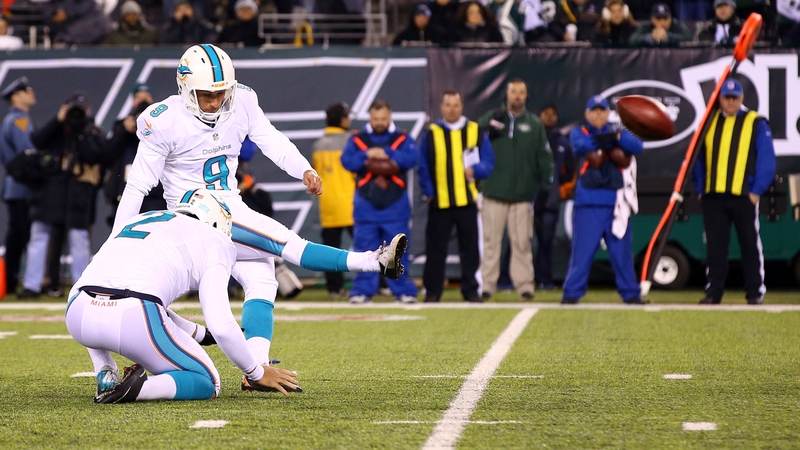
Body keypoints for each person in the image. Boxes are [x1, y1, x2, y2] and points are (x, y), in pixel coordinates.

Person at [113, 45, 407, 392]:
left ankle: (256, 369)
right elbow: (137, 187)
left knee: (263, 281)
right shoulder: (162, 120)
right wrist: (117, 243)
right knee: (285, 243)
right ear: (186, 88)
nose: (214, 102)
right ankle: (374, 261)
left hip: (229, 203)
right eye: (206, 95)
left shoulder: (242, 101)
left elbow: (271, 139)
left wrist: (304, 168)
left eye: (221, 93)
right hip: (195, 214)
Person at [66, 190, 301, 403]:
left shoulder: (141, 219)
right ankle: (140, 389)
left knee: (106, 288)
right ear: (218, 222)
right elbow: (221, 325)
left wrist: (198, 333)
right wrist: (257, 373)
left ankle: (105, 369)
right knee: (209, 382)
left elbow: (100, 285)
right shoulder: (216, 239)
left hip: (77, 312)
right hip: (131, 315)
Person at [691, 78, 776, 305]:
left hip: (743, 195)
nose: (730, 102)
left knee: (749, 244)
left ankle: (755, 291)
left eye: (734, 98)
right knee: (716, 246)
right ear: (719, 99)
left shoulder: (755, 122)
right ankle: (714, 291)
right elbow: (696, 158)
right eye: (726, 98)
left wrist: (756, 191)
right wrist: (701, 188)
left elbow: (767, 160)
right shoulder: (709, 122)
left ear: (742, 98)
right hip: (714, 196)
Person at [19, 92, 109, 299]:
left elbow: (95, 155)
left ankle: (82, 286)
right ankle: (32, 285)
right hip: (50, 191)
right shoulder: (57, 129)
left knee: (79, 239)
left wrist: (81, 131)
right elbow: (37, 141)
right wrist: (58, 121)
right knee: (39, 236)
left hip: (77, 195)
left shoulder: (91, 131)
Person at [561, 95, 644, 304]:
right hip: (588, 204)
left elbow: (638, 146)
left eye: (602, 110)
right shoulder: (579, 132)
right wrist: (606, 142)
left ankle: (631, 293)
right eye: (594, 110)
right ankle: (572, 293)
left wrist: (615, 139)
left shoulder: (617, 133)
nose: (598, 114)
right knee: (582, 253)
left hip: (616, 205)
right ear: (587, 114)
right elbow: (581, 145)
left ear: (608, 113)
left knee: (622, 254)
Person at [477, 79, 553, 301]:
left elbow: (545, 159)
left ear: (526, 96)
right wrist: (486, 133)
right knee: (491, 243)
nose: (517, 96)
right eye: (513, 92)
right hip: (493, 193)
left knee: (522, 243)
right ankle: (487, 285)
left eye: (521, 92)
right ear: (507, 94)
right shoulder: (491, 118)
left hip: (522, 196)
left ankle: (524, 285)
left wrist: (544, 189)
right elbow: (470, 144)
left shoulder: (535, 124)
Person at [417, 90, 495, 303]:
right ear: (441, 107)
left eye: (456, 105)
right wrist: (429, 192)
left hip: (466, 201)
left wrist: (476, 170)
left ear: (462, 107)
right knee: (435, 250)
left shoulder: (475, 130)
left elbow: (489, 162)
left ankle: (471, 290)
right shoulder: (431, 132)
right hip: (439, 202)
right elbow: (422, 165)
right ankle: (432, 291)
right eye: (448, 104)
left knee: (470, 250)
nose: (452, 108)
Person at [340, 99, 419, 304]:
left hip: (396, 206)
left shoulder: (402, 138)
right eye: (376, 118)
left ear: (389, 116)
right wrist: (367, 154)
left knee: (398, 251)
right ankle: (362, 291)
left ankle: (403, 291)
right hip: (366, 206)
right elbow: (346, 161)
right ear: (370, 117)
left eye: (383, 118)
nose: (380, 122)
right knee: (364, 251)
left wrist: (388, 153)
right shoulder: (358, 139)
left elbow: (412, 159)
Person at [104, 82, 165, 226]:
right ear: (133, 101)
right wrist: (124, 131)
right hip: (125, 194)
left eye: (146, 98)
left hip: (154, 196)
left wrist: (149, 128)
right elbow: (106, 155)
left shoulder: (162, 125)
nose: (142, 102)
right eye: (139, 98)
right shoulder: (121, 126)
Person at [312, 102, 355, 297]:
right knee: (367, 246)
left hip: (328, 204)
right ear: (342, 118)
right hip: (352, 204)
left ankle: (334, 288)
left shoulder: (318, 144)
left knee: (330, 250)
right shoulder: (352, 141)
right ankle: (379, 283)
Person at [0, 78, 36, 295]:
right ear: (16, 97)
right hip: (22, 186)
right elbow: (27, 151)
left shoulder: (14, 119)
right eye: (25, 90)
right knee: (22, 235)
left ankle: (10, 280)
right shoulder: (19, 121)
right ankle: (13, 280)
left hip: (14, 186)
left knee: (16, 235)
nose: (31, 93)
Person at [535, 104, 575, 290]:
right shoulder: (532, 138)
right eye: (546, 114)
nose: (550, 117)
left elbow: (570, 172)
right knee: (519, 243)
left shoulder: (562, 142)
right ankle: (508, 279)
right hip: (529, 198)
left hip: (550, 201)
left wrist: (560, 192)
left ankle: (545, 279)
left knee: (546, 242)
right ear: (539, 116)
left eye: (553, 114)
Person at [43, 0, 112, 45]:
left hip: (99, 34)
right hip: (71, 40)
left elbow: (88, 3)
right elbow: (48, 13)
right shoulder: (49, 5)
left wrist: (67, 12)